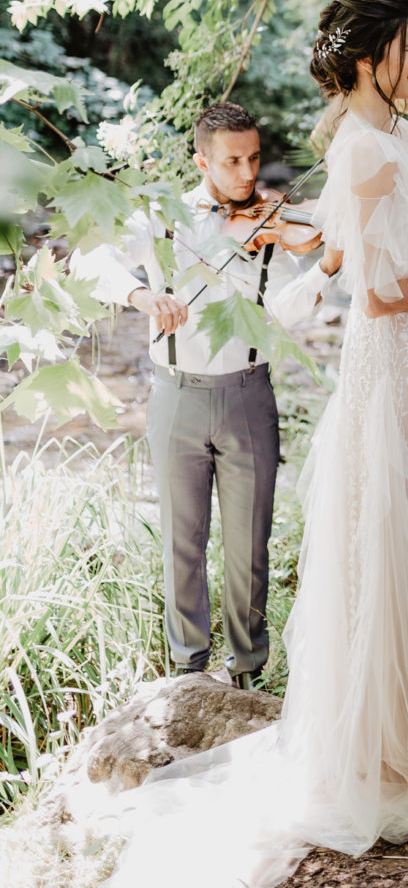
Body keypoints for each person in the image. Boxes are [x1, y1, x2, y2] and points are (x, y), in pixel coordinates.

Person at [89, 0, 408, 888]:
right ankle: (383, 756)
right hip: (389, 371)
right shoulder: (364, 151)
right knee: (386, 552)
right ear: (372, 58)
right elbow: (381, 294)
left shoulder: (400, 142)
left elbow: (352, 258)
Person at [72, 101, 335, 688]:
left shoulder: (269, 225)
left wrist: (326, 268)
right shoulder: (161, 216)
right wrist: (142, 298)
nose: (247, 174)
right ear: (202, 160)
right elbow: (91, 258)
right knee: (181, 541)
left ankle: (247, 671)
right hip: (175, 397)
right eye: (232, 162)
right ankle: (188, 671)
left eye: (255, 159)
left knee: (249, 545)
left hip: (247, 396)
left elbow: (283, 310)